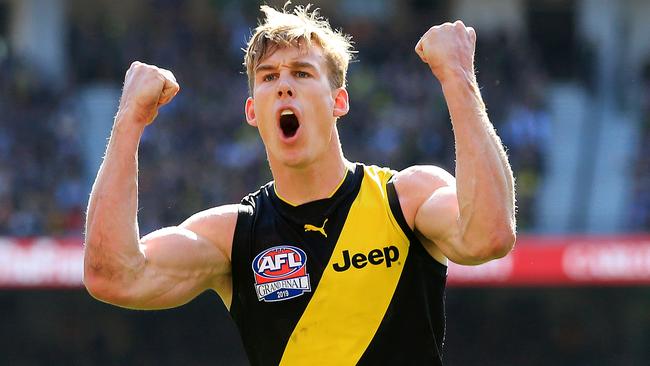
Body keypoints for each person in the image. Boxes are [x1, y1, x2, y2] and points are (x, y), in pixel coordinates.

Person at [83, 4, 516, 365]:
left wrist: (457, 76)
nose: (284, 85)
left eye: (302, 74)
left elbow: (490, 235)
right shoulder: (232, 236)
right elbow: (114, 277)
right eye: (269, 77)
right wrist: (128, 122)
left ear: (338, 101)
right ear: (253, 111)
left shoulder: (405, 199)